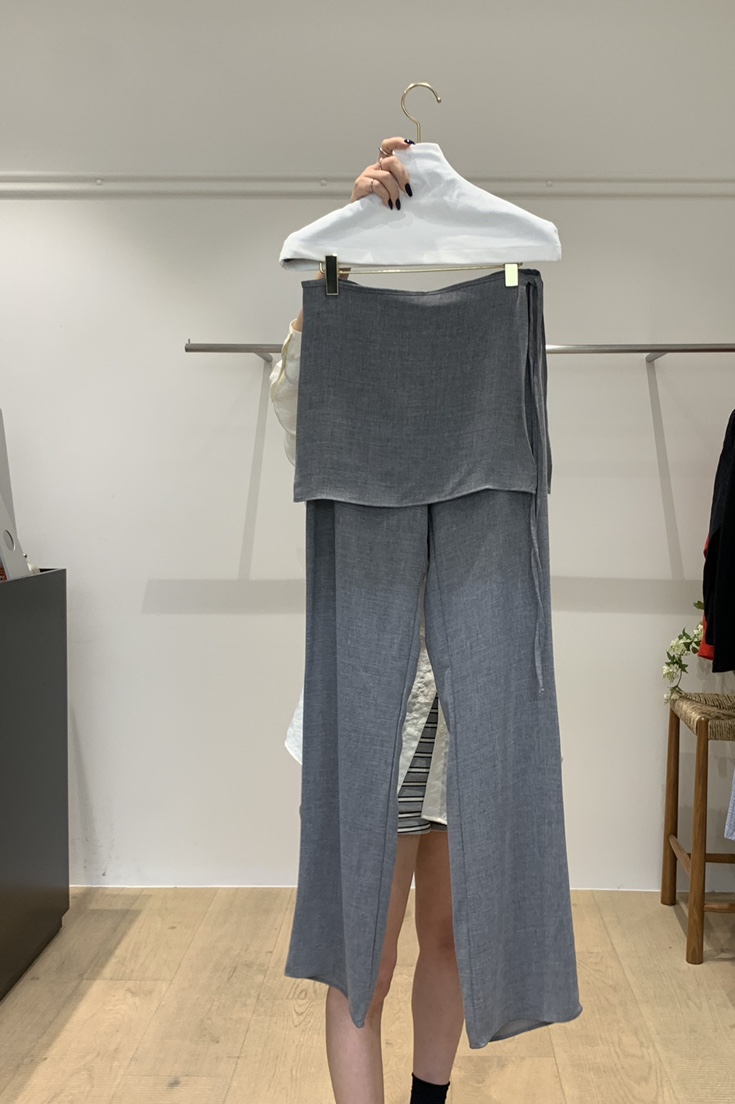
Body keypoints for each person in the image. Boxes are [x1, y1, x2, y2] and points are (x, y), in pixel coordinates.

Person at [271, 137, 463, 1104]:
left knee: (454, 937)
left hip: (469, 703)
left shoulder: (482, 389)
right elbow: (300, 400)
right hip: (379, 705)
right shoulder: (346, 411)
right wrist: (343, 254)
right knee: (366, 955)